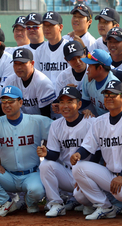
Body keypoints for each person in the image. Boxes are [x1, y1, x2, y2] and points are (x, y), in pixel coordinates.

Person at [68, 79, 122, 220]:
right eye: (106, 95)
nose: (108, 98)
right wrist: (78, 153)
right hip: (110, 174)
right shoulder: (99, 121)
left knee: (121, 193)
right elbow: (88, 146)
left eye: (113, 94)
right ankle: (105, 207)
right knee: (78, 169)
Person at [0, 85, 52, 216]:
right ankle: (6, 202)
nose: (6, 105)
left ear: (21, 102)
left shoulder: (36, 121)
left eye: (11, 101)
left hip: (31, 174)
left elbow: (60, 130)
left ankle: (29, 202)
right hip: (7, 175)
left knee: (37, 191)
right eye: (4, 101)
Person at [37, 86, 97, 217]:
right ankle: (56, 204)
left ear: (79, 104)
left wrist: (84, 177)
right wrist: (46, 153)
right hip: (68, 174)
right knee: (45, 164)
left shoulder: (91, 122)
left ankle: (88, 204)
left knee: (80, 196)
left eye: (70, 102)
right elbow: (55, 154)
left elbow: (98, 153)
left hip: (88, 174)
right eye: (62, 102)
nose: (65, 105)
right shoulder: (56, 125)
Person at [1, 48, 55, 117]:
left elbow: (46, 114)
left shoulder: (42, 82)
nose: (19, 67)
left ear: (32, 63)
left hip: (43, 121)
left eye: (22, 63)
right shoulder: (10, 81)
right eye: (16, 64)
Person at [80, 49, 120, 117]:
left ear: (100, 68)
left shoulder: (114, 86)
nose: (87, 69)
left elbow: (119, 114)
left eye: (90, 66)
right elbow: (85, 100)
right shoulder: (88, 78)